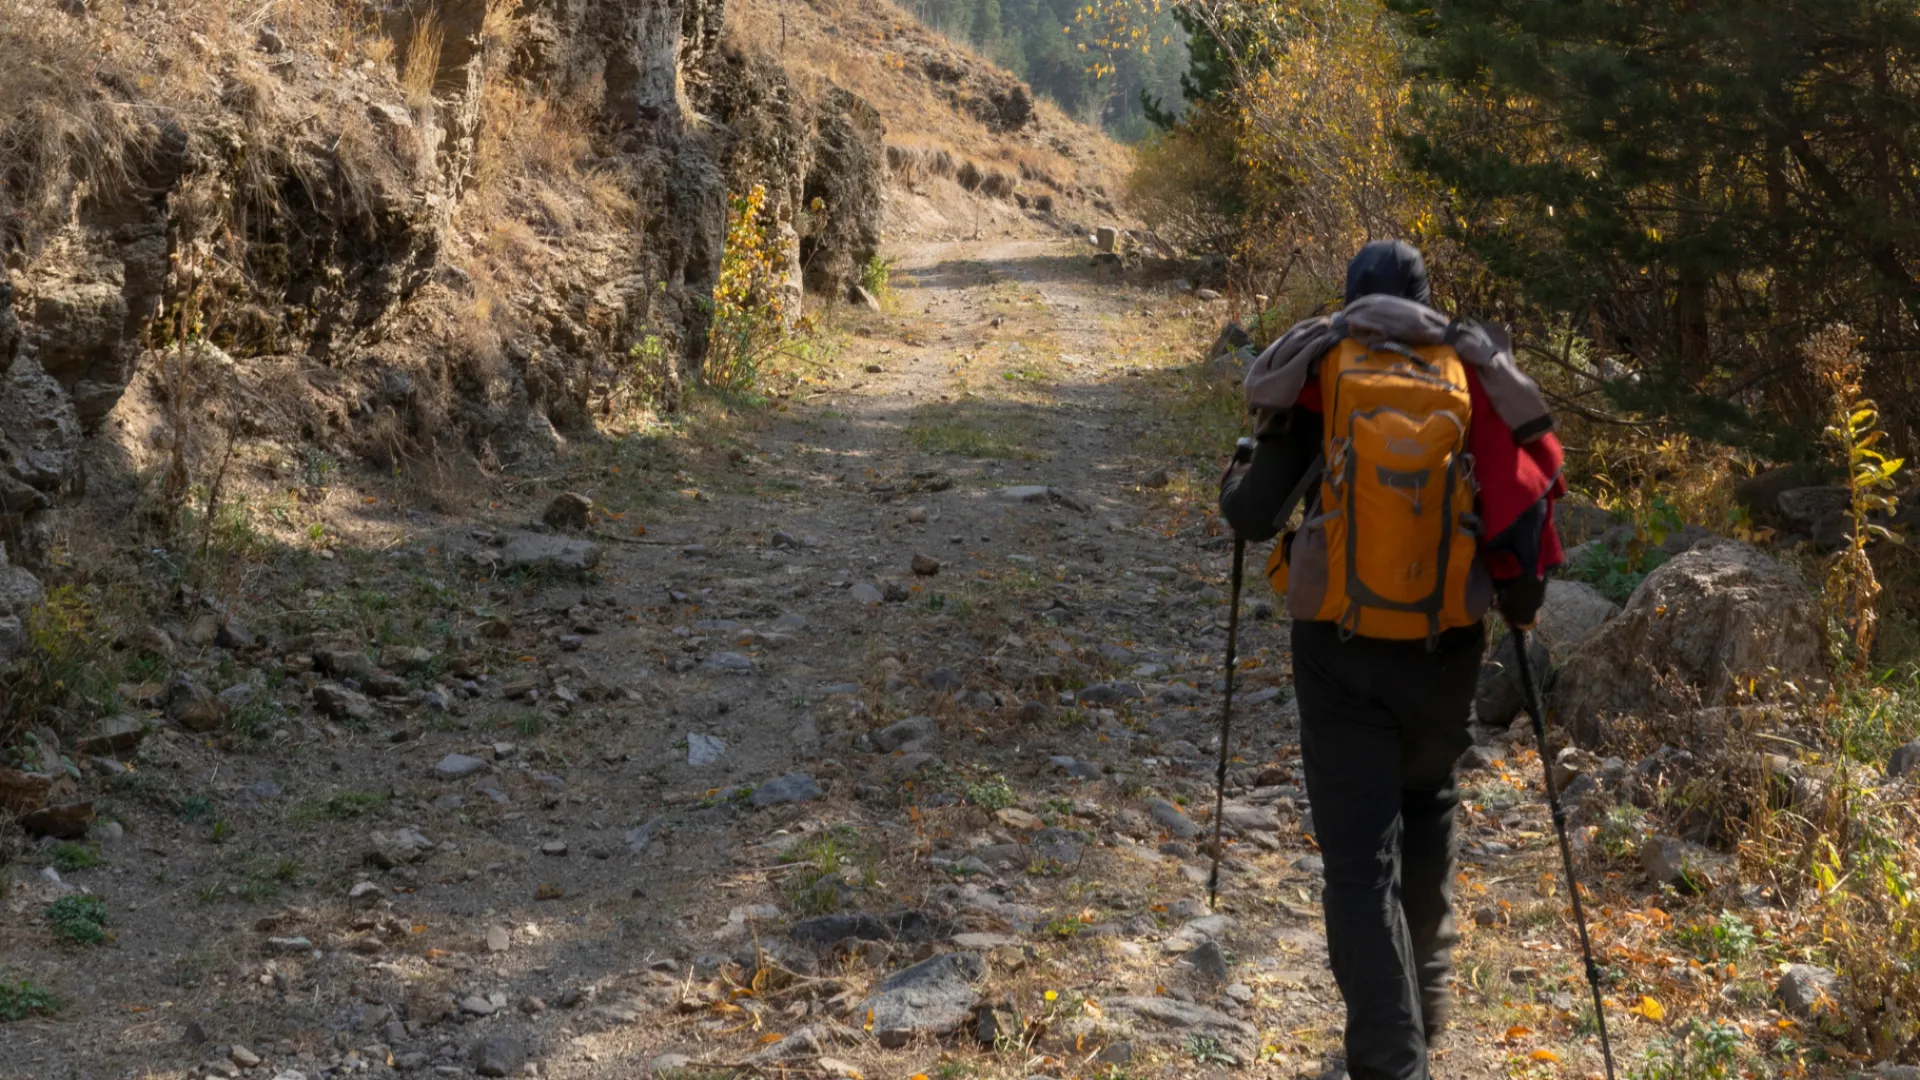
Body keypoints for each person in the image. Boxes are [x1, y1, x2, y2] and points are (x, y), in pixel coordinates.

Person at [1219, 241, 1564, 1080]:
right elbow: (1522, 534)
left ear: (1351, 296)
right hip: (1444, 651)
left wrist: (1237, 480)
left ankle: (1390, 1059)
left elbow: (1257, 515)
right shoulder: (1470, 373)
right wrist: (1513, 609)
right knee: (1429, 804)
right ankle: (1426, 1010)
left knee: (1357, 858)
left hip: (1339, 651)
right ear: (1425, 299)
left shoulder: (1326, 365)